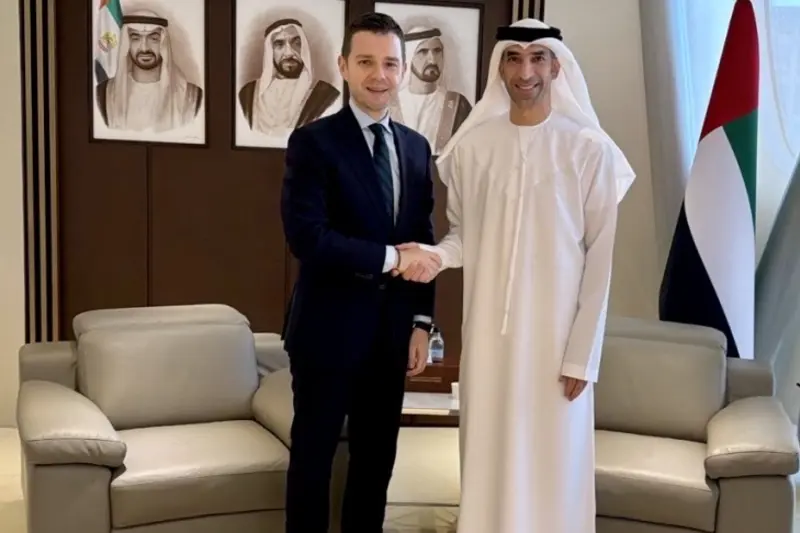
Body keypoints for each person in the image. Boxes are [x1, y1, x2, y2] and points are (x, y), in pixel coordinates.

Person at [397, 18, 636, 533]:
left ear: (556, 67)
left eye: (537, 58)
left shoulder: (588, 149)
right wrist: (435, 254)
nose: (525, 72)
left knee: (555, 463)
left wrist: (583, 354)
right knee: (488, 454)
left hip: (557, 346)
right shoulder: (473, 148)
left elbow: (601, 259)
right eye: (514, 58)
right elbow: (466, 236)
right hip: (489, 339)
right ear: (499, 67)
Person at [279, 11, 442, 533]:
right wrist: (392, 258)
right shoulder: (313, 142)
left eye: (390, 64)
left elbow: (423, 239)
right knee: (313, 461)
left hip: (391, 335)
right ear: (344, 66)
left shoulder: (415, 147)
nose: (379, 75)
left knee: (376, 463)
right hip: (326, 331)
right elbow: (308, 237)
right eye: (366, 62)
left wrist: (421, 323)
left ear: (402, 71)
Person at [96, 11, 203, 132]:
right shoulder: (104, 94)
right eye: (135, 38)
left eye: (154, 39)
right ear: (127, 43)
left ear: (163, 43)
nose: (144, 48)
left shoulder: (190, 96)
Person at [238, 18, 340, 134]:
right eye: (279, 44)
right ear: (270, 52)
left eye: (297, 44)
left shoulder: (326, 94)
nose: (289, 53)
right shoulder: (248, 93)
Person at [389, 26, 472, 154]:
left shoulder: (457, 104)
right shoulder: (388, 105)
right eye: (423, 52)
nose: (432, 60)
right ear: (409, 57)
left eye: (437, 51)